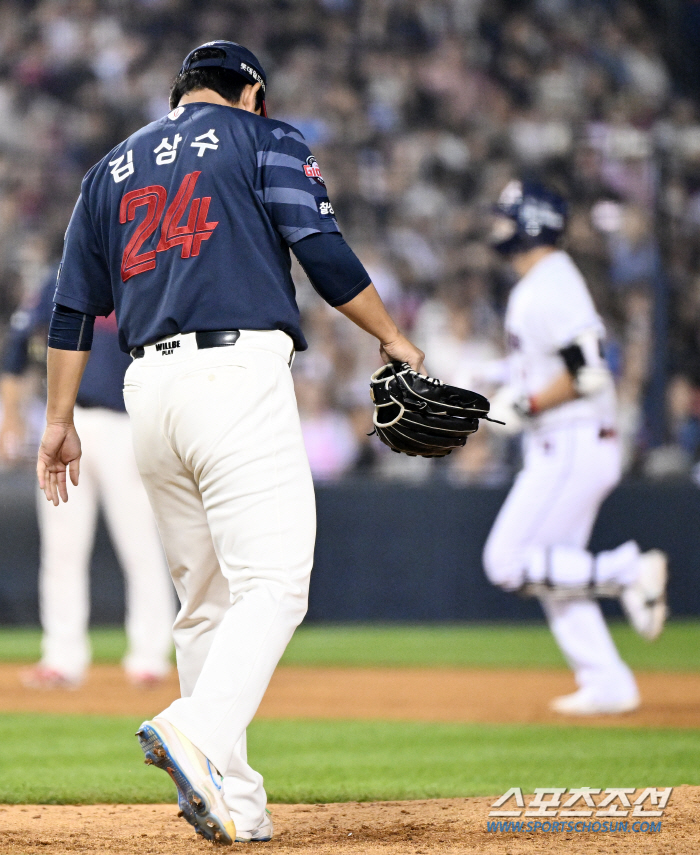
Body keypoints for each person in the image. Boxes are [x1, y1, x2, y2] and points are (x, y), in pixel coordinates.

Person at [36, 41, 425, 844]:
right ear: (251, 91)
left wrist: (57, 421)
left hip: (146, 391)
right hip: (235, 371)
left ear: (181, 91)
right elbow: (318, 248)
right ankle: (195, 727)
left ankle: (235, 800)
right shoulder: (264, 137)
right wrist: (395, 338)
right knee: (276, 582)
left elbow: (73, 309)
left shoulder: (110, 168)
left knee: (205, 601)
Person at [484, 179, 668, 716]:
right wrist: (494, 376)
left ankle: (626, 570)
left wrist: (529, 405)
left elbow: (588, 370)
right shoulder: (542, 282)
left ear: (532, 220)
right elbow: (551, 361)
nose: (499, 223)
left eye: (508, 214)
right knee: (552, 571)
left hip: (570, 440)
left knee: (507, 563)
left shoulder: (551, 280)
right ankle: (607, 680)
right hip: (572, 441)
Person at [0, 267, 175, 688]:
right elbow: (19, 346)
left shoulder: (147, 271)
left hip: (129, 426)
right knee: (62, 547)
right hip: (67, 419)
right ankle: (62, 657)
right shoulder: (62, 276)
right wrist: (10, 417)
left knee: (141, 545)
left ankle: (150, 656)